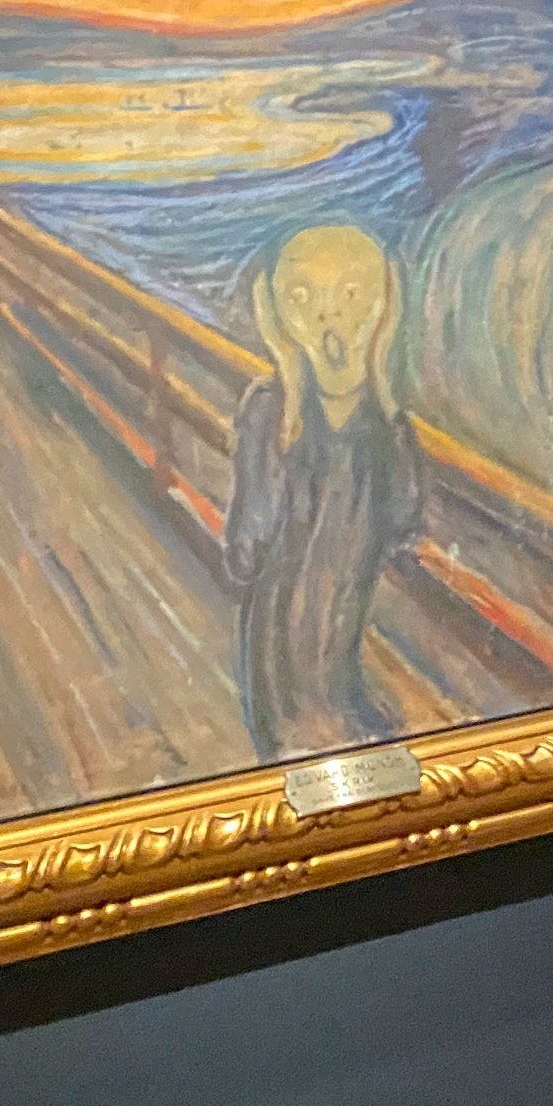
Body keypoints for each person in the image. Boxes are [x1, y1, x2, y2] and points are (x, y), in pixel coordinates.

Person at [227, 223, 423, 761]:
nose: (328, 314)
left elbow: (406, 518)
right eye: (301, 297)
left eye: (352, 293)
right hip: (284, 657)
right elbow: (246, 552)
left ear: (384, 304)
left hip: (342, 644)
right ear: (277, 314)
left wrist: (382, 389)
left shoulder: (382, 419)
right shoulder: (272, 410)